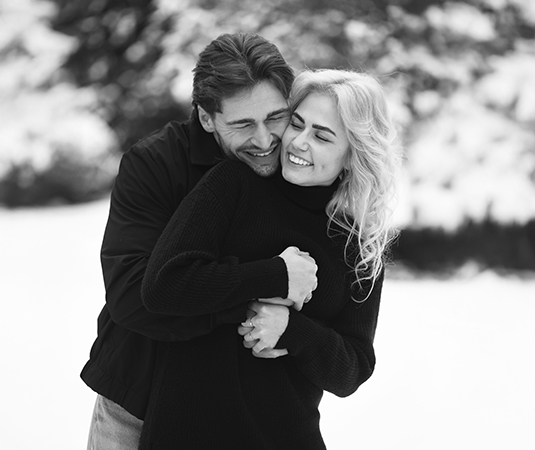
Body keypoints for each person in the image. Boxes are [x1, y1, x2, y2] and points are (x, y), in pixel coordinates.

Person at [138, 69, 402, 449]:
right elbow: (163, 286)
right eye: (297, 124)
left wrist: (291, 329)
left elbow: (353, 369)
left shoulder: (358, 246)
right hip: (186, 434)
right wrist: (274, 276)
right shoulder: (233, 184)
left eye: (322, 135)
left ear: (352, 155)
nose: (298, 142)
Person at [82, 32, 319, 449]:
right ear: (207, 118)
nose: (264, 141)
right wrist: (260, 290)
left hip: (252, 412)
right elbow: (133, 295)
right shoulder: (154, 164)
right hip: (139, 398)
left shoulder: (298, 165)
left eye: (275, 118)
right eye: (243, 124)